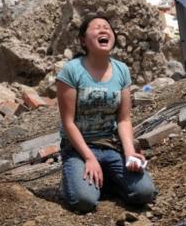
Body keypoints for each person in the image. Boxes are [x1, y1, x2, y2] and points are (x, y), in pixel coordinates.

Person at [56, 15, 156, 213]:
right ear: (83, 41)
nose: (103, 30)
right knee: (84, 201)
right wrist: (89, 158)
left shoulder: (121, 70)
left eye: (107, 28)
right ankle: (75, 179)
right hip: (78, 148)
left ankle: (107, 178)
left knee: (145, 193)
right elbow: (68, 123)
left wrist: (129, 153)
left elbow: (124, 119)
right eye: (96, 28)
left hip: (111, 146)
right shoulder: (71, 71)